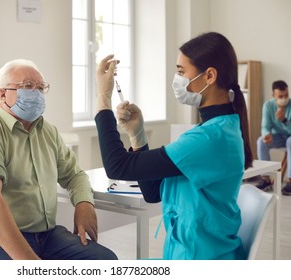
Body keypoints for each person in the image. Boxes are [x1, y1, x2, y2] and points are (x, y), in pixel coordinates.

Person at [94, 32, 253, 260]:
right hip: (189, 253)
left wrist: (102, 99)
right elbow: (152, 192)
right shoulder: (218, 129)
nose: (177, 80)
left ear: (209, 76)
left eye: (181, 72)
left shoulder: (209, 138)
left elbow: (117, 167)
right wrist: (137, 135)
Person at [0, 58, 118, 260]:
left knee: (105, 261)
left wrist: (84, 204)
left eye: (41, 88)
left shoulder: (48, 131)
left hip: (44, 234)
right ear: (3, 93)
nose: (36, 93)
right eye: (27, 86)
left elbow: (74, 175)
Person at [256, 80, 291, 195]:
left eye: (286, 95)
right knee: (261, 141)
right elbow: (265, 126)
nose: (284, 98)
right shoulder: (268, 105)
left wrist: (284, 120)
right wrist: (267, 134)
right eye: (280, 96)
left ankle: (290, 181)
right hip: (279, 138)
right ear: (273, 96)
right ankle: (265, 178)